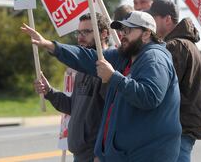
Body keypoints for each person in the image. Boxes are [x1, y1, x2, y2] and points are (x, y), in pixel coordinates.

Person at [22, 11, 182, 162]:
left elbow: (149, 97)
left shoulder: (154, 58)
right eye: (122, 31)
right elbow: (88, 57)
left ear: (146, 34)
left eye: (128, 31)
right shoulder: (125, 57)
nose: (122, 35)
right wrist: (50, 46)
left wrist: (113, 77)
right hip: (125, 155)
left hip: (149, 155)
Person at [34, 13, 109, 162]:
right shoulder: (82, 68)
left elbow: (113, 117)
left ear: (104, 33)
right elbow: (73, 107)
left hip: (95, 155)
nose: (80, 37)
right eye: (79, 32)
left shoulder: (108, 67)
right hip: (79, 153)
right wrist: (49, 92)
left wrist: (101, 153)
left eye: (86, 32)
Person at [148, 0, 201, 162]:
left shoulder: (175, 46)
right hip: (184, 124)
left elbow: (162, 86)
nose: (150, 25)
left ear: (167, 19)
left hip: (178, 125)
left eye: (153, 19)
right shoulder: (187, 43)